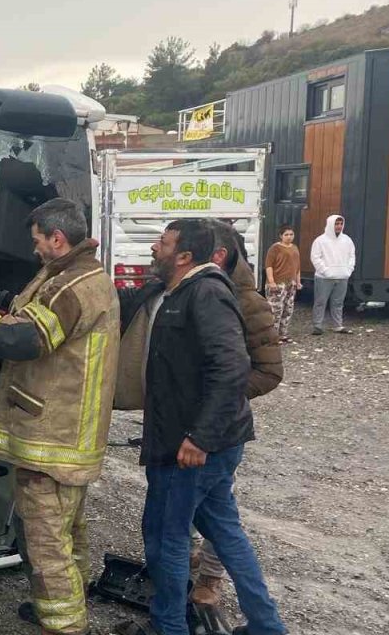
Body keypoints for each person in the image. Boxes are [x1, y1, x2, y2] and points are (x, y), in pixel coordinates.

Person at [0, 198, 119, 635]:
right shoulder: (71, 274)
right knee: (66, 534)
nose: (33, 249)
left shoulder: (71, 287)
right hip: (69, 438)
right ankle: (67, 609)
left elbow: (19, 340)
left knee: (47, 543)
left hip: (55, 439)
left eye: (37, 241)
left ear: (57, 238)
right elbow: (22, 311)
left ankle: (65, 625)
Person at [112, 219, 286, 635]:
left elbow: (232, 368)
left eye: (163, 242)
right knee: (225, 531)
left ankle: (168, 626)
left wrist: (200, 437)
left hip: (191, 447)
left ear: (185, 256)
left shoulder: (206, 293)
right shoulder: (174, 290)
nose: (154, 247)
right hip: (201, 441)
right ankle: (266, 626)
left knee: (166, 536)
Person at [185, 220, 283, 608]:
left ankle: (211, 576)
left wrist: (219, 396)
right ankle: (187, 557)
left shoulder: (248, 302)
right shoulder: (191, 291)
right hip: (186, 422)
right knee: (187, 501)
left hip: (221, 428)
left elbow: (270, 371)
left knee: (220, 508)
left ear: (219, 255)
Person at [309, 215, 356, 335]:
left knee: (338, 303)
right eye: (336, 224)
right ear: (330, 224)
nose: (339, 226)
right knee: (320, 302)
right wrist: (325, 271)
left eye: (340, 224)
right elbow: (315, 257)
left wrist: (348, 270)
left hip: (342, 276)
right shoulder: (320, 240)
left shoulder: (347, 240)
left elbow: (352, 256)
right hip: (324, 277)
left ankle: (337, 325)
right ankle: (317, 325)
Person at [263, 225, 303, 343]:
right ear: (281, 236)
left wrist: (298, 281)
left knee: (288, 309)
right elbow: (269, 265)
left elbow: (297, 267)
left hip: (290, 283)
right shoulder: (275, 248)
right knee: (275, 310)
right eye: (286, 235)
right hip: (278, 283)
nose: (289, 237)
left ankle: (283, 333)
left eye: (291, 234)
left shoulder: (295, 248)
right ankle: (272, 335)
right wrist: (271, 281)